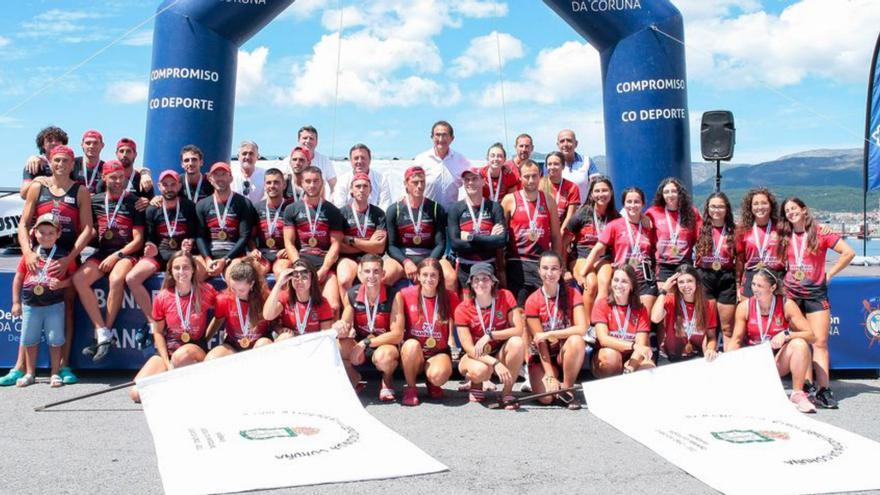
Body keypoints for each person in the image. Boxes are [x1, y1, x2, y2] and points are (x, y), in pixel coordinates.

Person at [2, 145, 93, 387]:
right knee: (30, 307)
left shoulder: (80, 191)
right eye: (56, 160)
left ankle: (63, 366)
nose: (60, 164)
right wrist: (28, 252)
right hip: (39, 255)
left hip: (65, 258)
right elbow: (23, 224)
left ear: (72, 164)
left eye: (65, 160)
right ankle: (19, 367)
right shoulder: (37, 187)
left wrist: (71, 257)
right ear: (49, 162)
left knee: (68, 309)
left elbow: (87, 229)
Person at [777, 197, 854, 408]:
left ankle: (823, 389)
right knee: (801, 341)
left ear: (803, 210)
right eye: (787, 211)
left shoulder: (821, 232)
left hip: (815, 294)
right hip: (792, 294)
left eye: (794, 209)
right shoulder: (784, 234)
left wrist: (830, 274)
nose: (791, 213)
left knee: (819, 342)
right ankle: (806, 386)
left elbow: (849, 253)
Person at [76, 160, 145, 362]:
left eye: (120, 177)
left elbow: (138, 239)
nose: (117, 181)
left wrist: (117, 255)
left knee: (115, 280)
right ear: (104, 178)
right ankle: (103, 332)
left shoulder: (134, 201)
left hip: (126, 253)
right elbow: (90, 228)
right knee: (79, 279)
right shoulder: (95, 200)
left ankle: (106, 330)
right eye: (112, 177)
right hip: (102, 252)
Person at [129, 251, 218, 403]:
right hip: (170, 351)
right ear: (170, 271)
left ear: (193, 270)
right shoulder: (163, 296)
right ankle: (177, 388)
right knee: (136, 393)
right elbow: (157, 332)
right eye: (177, 268)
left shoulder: (206, 291)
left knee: (181, 357)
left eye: (185, 267)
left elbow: (220, 314)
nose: (181, 272)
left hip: (194, 350)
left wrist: (207, 337)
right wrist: (166, 363)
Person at [729, 269, 817, 413]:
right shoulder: (744, 306)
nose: (755, 290)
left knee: (800, 344)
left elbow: (811, 335)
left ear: (773, 288)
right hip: (753, 363)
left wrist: (786, 334)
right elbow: (736, 339)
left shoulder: (786, 305)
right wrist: (728, 363)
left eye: (760, 286)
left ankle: (797, 394)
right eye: (753, 285)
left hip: (776, 362)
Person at [11, 214, 76, 387]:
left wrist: (62, 283)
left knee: (55, 340)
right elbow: (18, 278)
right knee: (29, 339)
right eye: (42, 232)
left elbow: (74, 278)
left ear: (58, 234)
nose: (46, 236)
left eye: (50, 233)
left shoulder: (64, 256)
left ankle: (55, 373)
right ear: (34, 233)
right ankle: (30, 373)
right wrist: (16, 302)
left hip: (54, 305)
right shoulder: (30, 254)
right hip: (30, 306)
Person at [127, 170, 199, 327]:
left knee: (196, 274)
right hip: (159, 255)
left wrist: (190, 242)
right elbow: (150, 237)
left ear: (179, 186)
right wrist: (150, 246)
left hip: (182, 255)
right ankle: (154, 322)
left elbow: (195, 233)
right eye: (165, 185)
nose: (169, 188)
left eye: (173, 184)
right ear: (159, 186)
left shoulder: (189, 206)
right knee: (131, 278)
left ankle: (188, 319)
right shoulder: (153, 208)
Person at [453, 262, 525, 408]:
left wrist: (490, 335)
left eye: (485, 279)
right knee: (481, 371)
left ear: (493, 282)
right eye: (476, 279)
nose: (481, 283)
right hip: (474, 356)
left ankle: (507, 393)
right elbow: (469, 349)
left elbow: (518, 329)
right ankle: (476, 384)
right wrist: (495, 364)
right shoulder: (462, 309)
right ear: (471, 284)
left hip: (499, 351)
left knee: (517, 342)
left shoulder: (506, 296)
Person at [333, 255, 404, 401]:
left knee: (384, 357)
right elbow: (345, 321)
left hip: (384, 344)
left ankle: (387, 380)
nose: (371, 276)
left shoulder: (394, 295)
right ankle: (354, 377)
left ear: (383, 274)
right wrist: (340, 327)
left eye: (376, 271)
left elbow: (397, 334)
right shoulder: (351, 294)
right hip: (360, 344)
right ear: (359, 274)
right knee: (336, 346)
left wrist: (365, 343)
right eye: (367, 271)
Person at [524, 251, 587, 409]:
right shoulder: (532, 300)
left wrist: (551, 333)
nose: (549, 273)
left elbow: (582, 328)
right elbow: (541, 342)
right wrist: (550, 375)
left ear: (561, 271)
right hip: (542, 357)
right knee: (546, 399)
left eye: (554, 268)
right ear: (539, 271)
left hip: (563, 354)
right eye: (545, 268)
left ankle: (567, 388)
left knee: (576, 340)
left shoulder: (573, 293)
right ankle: (553, 380)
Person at [283, 166, 345, 317]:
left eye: (316, 181)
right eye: (308, 181)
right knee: (292, 307)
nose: (312, 185)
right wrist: (298, 265)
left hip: (324, 263)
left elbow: (335, 244)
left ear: (322, 182)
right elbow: (289, 242)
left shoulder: (333, 211)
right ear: (301, 183)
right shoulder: (291, 209)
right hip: (301, 261)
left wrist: (324, 269)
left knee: (333, 307)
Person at [582, 187, 658, 311]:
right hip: (621, 280)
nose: (632, 205)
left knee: (643, 319)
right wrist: (583, 274)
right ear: (623, 204)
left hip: (644, 279)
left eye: (637, 202)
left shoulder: (648, 226)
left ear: (643, 204)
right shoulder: (614, 225)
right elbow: (596, 250)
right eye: (629, 202)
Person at [398, 258, 460, 406]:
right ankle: (411, 388)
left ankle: (431, 381)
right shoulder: (405, 294)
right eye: (425, 275)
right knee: (411, 345)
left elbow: (453, 318)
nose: (429, 279)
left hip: (438, 351)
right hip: (415, 352)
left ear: (440, 277)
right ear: (418, 276)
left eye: (433, 275)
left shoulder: (450, 296)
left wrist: (451, 337)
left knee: (439, 377)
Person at [501, 160, 562, 306]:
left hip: (541, 263)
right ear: (520, 178)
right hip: (517, 262)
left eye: (534, 176)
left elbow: (555, 236)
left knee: (543, 307)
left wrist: (560, 265)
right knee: (520, 310)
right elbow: (500, 237)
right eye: (526, 176)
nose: (530, 180)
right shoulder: (509, 200)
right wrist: (501, 267)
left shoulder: (549, 200)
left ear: (540, 176)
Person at [385, 166, 452, 286]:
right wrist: (406, 262)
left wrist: (428, 263)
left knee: (450, 277)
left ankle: (449, 305)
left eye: (422, 182)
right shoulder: (394, 210)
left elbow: (440, 244)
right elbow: (391, 246)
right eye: (415, 182)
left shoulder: (436, 209)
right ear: (406, 183)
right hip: (403, 257)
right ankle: (386, 305)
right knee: (385, 275)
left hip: (430, 255)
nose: (420, 186)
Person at [567, 176, 620, 320]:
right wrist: (564, 268)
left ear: (611, 193)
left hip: (604, 258)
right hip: (582, 256)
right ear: (591, 194)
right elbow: (564, 240)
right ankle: (587, 326)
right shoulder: (582, 213)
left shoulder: (616, 216)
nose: (601, 194)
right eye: (597, 191)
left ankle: (598, 322)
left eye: (605, 190)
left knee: (605, 284)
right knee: (591, 284)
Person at [447, 167, 507, 292]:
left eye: (474, 179)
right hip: (465, 267)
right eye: (467, 180)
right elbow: (455, 245)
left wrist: (471, 237)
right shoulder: (455, 209)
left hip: (489, 266)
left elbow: (501, 241)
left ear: (483, 181)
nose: (470, 183)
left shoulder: (495, 207)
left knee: (488, 308)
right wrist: (490, 240)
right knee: (467, 308)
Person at [591, 265, 654, 377]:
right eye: (616, 280)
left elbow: (641, 344)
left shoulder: (641, 309)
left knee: (648, 367)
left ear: (632, 286)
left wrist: (630, 368)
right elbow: (603, 339)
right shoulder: (602, 304)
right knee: (611, 358)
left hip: (631, 357)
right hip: (608, 355)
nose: (619, 285)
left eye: (624, 281)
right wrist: (633, 346)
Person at [195, 162, 254, 280]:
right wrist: (207, 259)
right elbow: (200, 236)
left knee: (236, 277)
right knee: (192, 275)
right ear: (210, 179)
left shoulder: (244, 203)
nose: (220, 178)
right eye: (216, 175)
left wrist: (225, 259)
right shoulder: (201, 205)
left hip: (233, 256)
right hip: (209, 255)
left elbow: (244, 236)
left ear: (231, 178)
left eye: (223, 174)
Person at [694, 192, 738, 349]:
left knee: (727, 329)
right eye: (713, 206)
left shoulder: (735, 230)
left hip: (726, 279)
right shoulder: (698, 228)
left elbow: (740, 260)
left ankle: (729, 365)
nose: (716, 210)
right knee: (708, 328)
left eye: (720, 206)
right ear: (707, 208)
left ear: (727, 209)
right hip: (704, 277)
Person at [204, 259, 273, 359]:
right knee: (211, 358)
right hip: (233, 344)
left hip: (259, 342)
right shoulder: (223, 299)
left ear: (252, 284)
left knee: (264, 345)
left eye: (241, 290)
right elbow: (217, 321)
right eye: (233, 288)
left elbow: (274, 321)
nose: (236, 293)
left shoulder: (265, 297)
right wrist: (205, 342)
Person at [651, 266, 719, 361]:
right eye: (681, 282)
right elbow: (655, 318)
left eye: (689, 281)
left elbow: (711, 337)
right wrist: (663, 290)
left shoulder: (708, 305)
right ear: (677, 285)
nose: (686, 285)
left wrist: (710, 349)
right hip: (670, 357)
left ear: (697, 283)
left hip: (695, 356)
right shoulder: (671, 300)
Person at [337, 173, 389, 292]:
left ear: (370, 190)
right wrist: (370, 244)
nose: (361, 189)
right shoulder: (341, 213)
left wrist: (352, 240)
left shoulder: (379, 214)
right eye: (358, 186)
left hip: (373, 258)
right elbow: (339, 246)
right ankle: (348, 309)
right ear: (351, 190)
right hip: (348, 258)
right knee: (345, 280)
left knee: (381, 279)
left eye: (365, 186)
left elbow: (380, 248)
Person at [646, 178, 701, 283]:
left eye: (673, 191)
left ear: (680, 193)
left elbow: (698, 237)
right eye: (666, 192)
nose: (670, 195)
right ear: (661, 194)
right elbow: (647, 238)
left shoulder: (692, 212)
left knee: (685, 296)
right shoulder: (653, 212)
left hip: (684, 263)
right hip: (662, 264)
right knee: (664, 296)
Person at [263, 259, 335, 339]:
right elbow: (267, 316)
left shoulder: (322, 303)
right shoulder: (285, 297)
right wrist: (279, 283)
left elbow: (325, 337)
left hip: (312, 345)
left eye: (304, 277)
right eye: (296, 276)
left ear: (312, 279)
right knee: (284, 337)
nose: (299, 280)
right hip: (290, 345)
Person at [735, 188, 783, 299]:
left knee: (776, 313)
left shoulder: (781, 227)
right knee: (748, 312)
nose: (760, 207)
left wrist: (822, 227)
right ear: (750, 207)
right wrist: (737, 284)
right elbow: (740, 259)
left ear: (771, 206)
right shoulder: (743, 229)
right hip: (751, 275)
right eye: (755, 204)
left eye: (764, 203)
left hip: (776, 275)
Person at [414, 120, 471, 205]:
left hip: (450, 215)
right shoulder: (421, 160)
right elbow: (410, 185)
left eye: (444, 135)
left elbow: (475, 179)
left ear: (452, 138)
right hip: (427, 215)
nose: (441, 139)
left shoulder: (461, 160)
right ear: (432, 137)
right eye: (437, 135)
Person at [250, 168, 292, 278]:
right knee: (254, 272)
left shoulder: (292, 208)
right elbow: (251, 237)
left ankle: (282, 296)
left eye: (276, 182)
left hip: (283, 254)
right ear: (264, 185)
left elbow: (299, 236)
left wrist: (290, 249)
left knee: (281, 272)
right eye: (269, 182)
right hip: (262, 254)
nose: (272, 186)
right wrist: (253, 249)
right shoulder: (257, 208)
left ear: (284, 185)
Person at [332, 143, 392, 211]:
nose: (359, 161)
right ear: (351, 161)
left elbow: (385, 207)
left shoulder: (382, 180)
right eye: (356, 158)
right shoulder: (342, 180)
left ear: (370, 160)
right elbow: (339, 207)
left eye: (363, 158)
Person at [96, 138, 154, 208]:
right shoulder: (107, 180)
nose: (124, 154)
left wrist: (148, 203)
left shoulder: (142, 181)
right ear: (116, 154)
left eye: (128, 151)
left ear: (135, 154)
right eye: (121, 151)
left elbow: (151, 204)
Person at [20, 126, 71, 198]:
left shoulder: (70, 164)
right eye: (49, 140)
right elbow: (23, 194)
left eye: (58, 140)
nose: (54, 143)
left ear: (63, 144)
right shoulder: (34, 164)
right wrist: (36, 181)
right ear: (43, 145)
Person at [540, 151, 580, 232]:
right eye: (549, 164)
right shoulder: (539, 184)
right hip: (541, 230)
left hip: (561, 230)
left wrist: (560, 233)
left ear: (563, 166)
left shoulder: (572, 187)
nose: (552, 167)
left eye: (556, 164)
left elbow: (570, 215)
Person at [556, 129, 599, 202]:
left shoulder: (587, 161)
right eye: (562, 141)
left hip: (583, 211)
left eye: (569, 140)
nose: (565, 144)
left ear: (576, 143)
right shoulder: (551, 164)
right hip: (559, 211)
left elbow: (597, 186)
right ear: (558, 145)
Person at [297, 125, 337, 197]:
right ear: (298, 140)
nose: (308, 141)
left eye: (311, 138)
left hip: (319, 205)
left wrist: (332, 202)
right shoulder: (288, 161)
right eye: (305, 138)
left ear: (316, 142)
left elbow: (334, 186)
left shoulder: (325, 161)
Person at [73, 129, 105, 194]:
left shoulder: (106, 168)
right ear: (82, 145)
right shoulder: (72, 163)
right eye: (88, 143)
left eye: (95, 143)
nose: (91, 146)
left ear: (102, 145)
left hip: (98, 203)